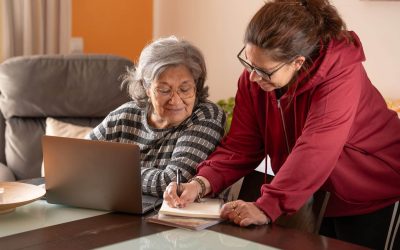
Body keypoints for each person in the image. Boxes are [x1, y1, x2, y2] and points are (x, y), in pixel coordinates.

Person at [163, 1, 400, 249]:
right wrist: (200, 184)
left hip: (371, 185)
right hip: (320, 191)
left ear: (297, 62)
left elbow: (316, 148)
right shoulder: (255, 78)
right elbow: (241, 145)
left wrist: (267, 206)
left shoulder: (341, 73)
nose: (253, 77)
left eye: (264, 71)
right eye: (249, 62)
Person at [88, 36, 226, 198]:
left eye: (185, 89)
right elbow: (79, 159)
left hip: (173, 216)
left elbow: (171, 182)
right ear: (146, 88)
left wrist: (108, 171)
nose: (175, 100)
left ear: (196, 86)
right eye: (164, 90)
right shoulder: (125, 115)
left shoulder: (206, 116)